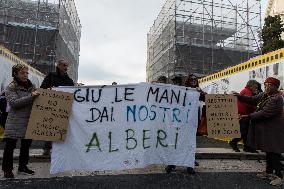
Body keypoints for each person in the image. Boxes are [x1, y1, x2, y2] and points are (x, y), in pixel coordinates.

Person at [234, 77, 284, 186]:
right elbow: (252, 99)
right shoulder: (265, 95)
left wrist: (247, 116)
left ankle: (280, 176)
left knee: (274, 153)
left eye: (269, 85)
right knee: (268, 151)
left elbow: (265, 113)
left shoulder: (277, 98)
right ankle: (268, 172)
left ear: (276, 87)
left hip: (274, 131)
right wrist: (239, 96)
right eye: (265, 85)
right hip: (267, 130)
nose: (266, 87)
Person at [2, 64, 40, 178]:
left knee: (26, 146)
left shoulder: (31, 86)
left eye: (26, 73)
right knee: (10, 146)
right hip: (14, 122)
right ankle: (7, 169)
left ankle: (23, 167)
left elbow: (38, 97)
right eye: (22, 73)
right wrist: (31, 96)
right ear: (15, 74)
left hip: (28, 120)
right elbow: (14, 103)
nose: (25, 75)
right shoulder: (11, 87)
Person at [165, 74, 200, 175]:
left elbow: (207, 99)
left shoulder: (198, 91)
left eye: (195, 79)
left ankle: (189, 164)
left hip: (191, 123)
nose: (193, 80)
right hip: (179, 122)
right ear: (188, 81)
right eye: (191, 79)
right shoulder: (182, 91)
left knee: (190, 144)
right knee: (176, 142)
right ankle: (172, 164)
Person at [40, 59, 74, 156]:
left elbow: (72, 92)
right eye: (64, 65)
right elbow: (43, 88)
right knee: (50, 127)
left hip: (63, 107)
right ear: (58, 65)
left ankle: (60, 149)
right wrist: (49, 89)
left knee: (62, 128)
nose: (66, 68)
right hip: (51, 106)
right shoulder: (51, 76)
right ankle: (47, 148)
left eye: (67, 66)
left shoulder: (69, 80)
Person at [229, 80, 259, 153]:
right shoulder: (247, 92)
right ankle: (233, 142)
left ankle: (247, 147)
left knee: (246, 133)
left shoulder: (245, 91)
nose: (256, 87)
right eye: (255, 86)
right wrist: (256, 108)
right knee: (244, 132)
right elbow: (248, 103)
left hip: (244, 115)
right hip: (243, 115)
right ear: (251, 85)